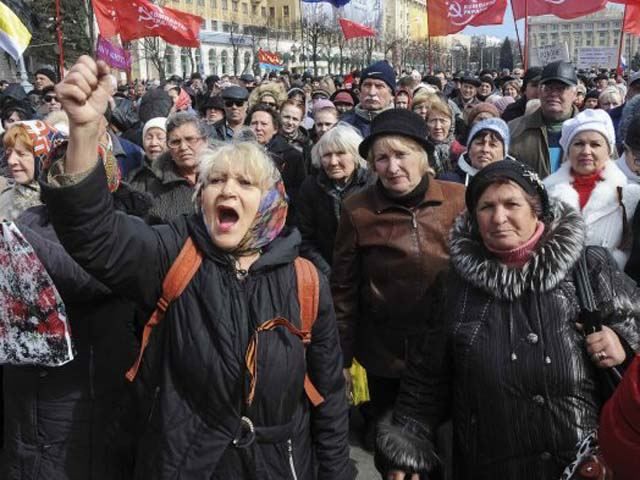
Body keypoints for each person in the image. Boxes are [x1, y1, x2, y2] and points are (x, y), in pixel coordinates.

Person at [41, 55, 355, 480]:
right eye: (216, 182)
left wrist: (335, 472)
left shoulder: (305, 280)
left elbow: (330, 397)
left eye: (245, 183)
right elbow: (93, 233)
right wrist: (82, 130)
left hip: (280, 464)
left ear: (271, 202)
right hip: (183, 462)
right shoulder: (174, 253)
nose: (227, 189)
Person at [375, 159, 640, 480]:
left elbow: (635, 335)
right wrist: (407, 451)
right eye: (486, 207)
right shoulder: (452, 286)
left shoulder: (589, 267)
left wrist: (623, 345)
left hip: (586, 464)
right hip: (490, 465)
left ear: (536, 210)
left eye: (511, 204)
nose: (498, 218)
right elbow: (425, 380)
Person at [331, 108, 465, 449]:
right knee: (392, 445)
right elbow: (343, 289)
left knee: (445, 442)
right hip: (385, 355)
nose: (392, 168)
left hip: (447, 350)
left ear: (422, 156)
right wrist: (342, 359)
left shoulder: (458, 200)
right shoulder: (357, 209)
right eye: (382, 158)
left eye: (401, 155)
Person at [544, 109, 640, 269]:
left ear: (608, 150)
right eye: (579, 144)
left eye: (595, 144)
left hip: (610, 285)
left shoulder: (629, 196)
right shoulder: (547, 192)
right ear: (568, 150)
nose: (586, 151)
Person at [297, 124, 374, 277]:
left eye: (340, 153)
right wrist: (328, 274)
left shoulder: (373, 184)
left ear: (355, 155)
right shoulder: (310, 187)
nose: (333, 162)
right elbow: (304, 237)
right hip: (325, 273)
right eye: (327, 155)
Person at [129, 111, 209, 224]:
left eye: (190, 139)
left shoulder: (223, 176)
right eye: (175, 142)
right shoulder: (147, 183)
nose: (183, 147)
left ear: (205, 141)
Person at [509, 61, 579, 177]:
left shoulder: (592, 131)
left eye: (561, 88)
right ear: (540, 92)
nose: (553, 94)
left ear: (575, 94)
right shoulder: (514, 129)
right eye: (548, 88)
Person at [248, 104, 306, 223]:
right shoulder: (238, 153)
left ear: (275, 129)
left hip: (278, 219)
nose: (258, 128)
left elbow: (298, 192)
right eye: (254, 123)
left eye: (264, 124)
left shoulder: (292, 156)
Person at [0, 122, 65, 221]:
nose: (11, 161)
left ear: (45, 156)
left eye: (21, 154)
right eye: (9, 153)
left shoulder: (64, 205)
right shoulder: (4, 199)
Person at [439, 118, 510, 186]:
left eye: (492, 145)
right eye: (479, 143)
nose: (485, 149)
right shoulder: (449, 182)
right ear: (469, 149)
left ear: (504, 153)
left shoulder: (514, 184)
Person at [342, 60, 395, 137]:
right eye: (367, 85)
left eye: (379, 86)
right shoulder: (344, 125)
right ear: (360, 91)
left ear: (392, 95)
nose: (372, 92)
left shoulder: (403, 127)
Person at [425, 98, 465, 176]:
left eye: (442, 121)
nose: (437, 127)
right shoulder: (422, 153)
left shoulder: (462, 154)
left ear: (451, 124)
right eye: (433, 121)